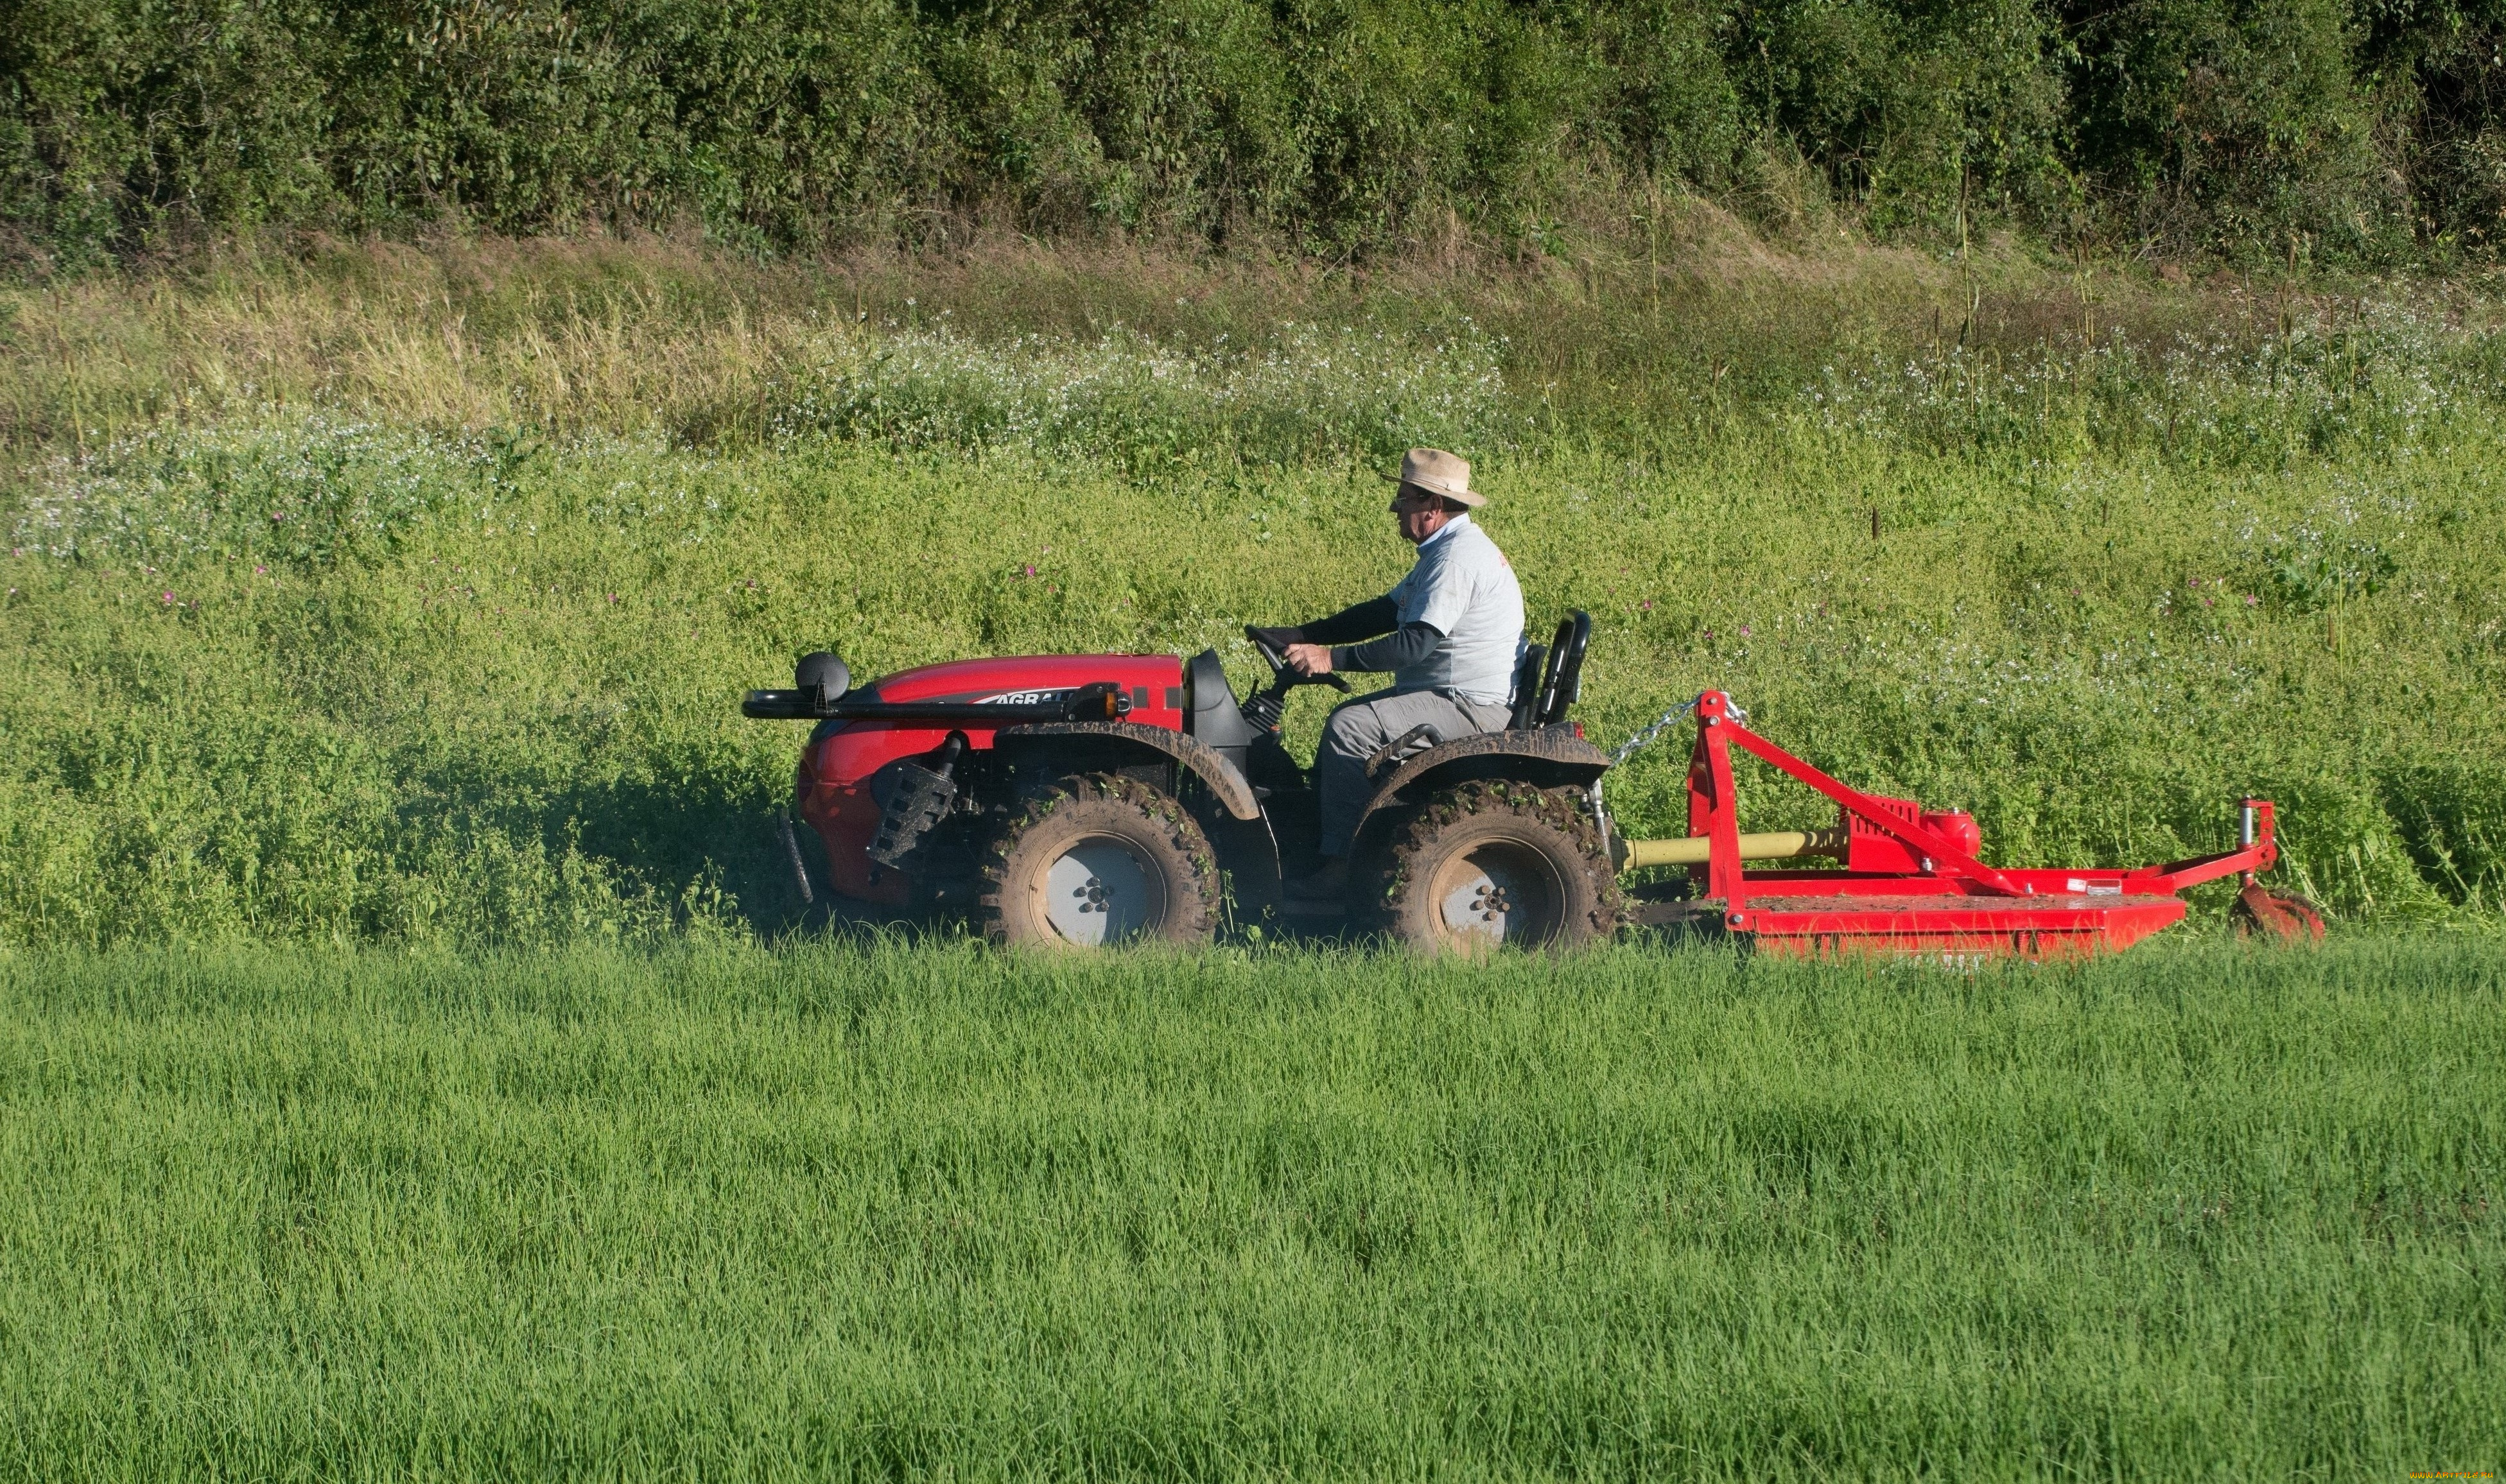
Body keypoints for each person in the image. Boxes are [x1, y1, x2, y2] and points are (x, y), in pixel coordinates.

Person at [1251, 447, 1525, 898]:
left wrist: (1329, 659)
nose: (1393, 508)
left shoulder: (1455, 561)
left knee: (1350, 727)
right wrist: (1300, 633)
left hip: (1470, 706)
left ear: (1431, 508)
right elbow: (1383, 612)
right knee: (1350, 721)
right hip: (1453, 695)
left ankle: (1341, 873)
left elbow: (1414, 643)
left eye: (1402, 498)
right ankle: (1321, 847)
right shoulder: (1445, 551)